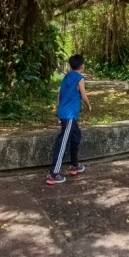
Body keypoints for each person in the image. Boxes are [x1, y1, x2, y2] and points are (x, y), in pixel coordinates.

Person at [46, 54, 91, 185]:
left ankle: (74, 165)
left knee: (76, 135)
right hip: (69, 115)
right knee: (63, 142)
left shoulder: (66, 77)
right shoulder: (79, 78)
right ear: (82, 65)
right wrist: (88, 105)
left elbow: (59, 94)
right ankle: (53, 174)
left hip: (65, 113)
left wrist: (58, 112)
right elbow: (83, 96)